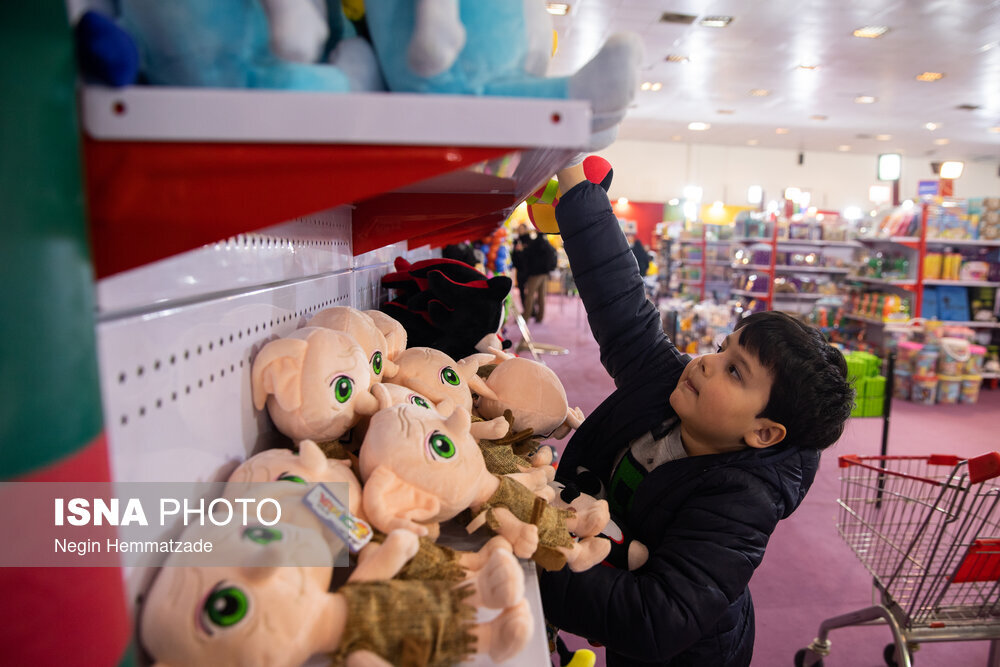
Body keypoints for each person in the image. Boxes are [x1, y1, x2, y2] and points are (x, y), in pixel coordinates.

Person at [538, 162, 854, 667]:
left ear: (763, 432)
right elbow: (622, 307)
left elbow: (658, 618)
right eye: (720, 349)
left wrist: (532, 562)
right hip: (614, 578)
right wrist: (581, 196)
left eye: (735, 372)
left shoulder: (743, 500)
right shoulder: (670, 388)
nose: (706, 363)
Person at [515, 225, 558, 323]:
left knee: (529, 295)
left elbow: (529, 256)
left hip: (535, 273)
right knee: (541, 296)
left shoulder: (535, 243)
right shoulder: (546, 242)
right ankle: (540, 317)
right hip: (544, 273)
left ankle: (526, 317)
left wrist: (522, 251)